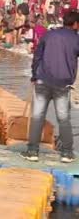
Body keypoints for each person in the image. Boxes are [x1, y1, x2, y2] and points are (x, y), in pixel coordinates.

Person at [21, 12, 79, 163]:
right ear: (75, 24)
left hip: (42, 80)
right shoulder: (76, 39)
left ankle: (32, 151)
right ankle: (66, 153)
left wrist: (34, 75)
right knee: (63, 118)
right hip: (62, 84)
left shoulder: (49, 35)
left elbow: (37, 56)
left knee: (37, 117)